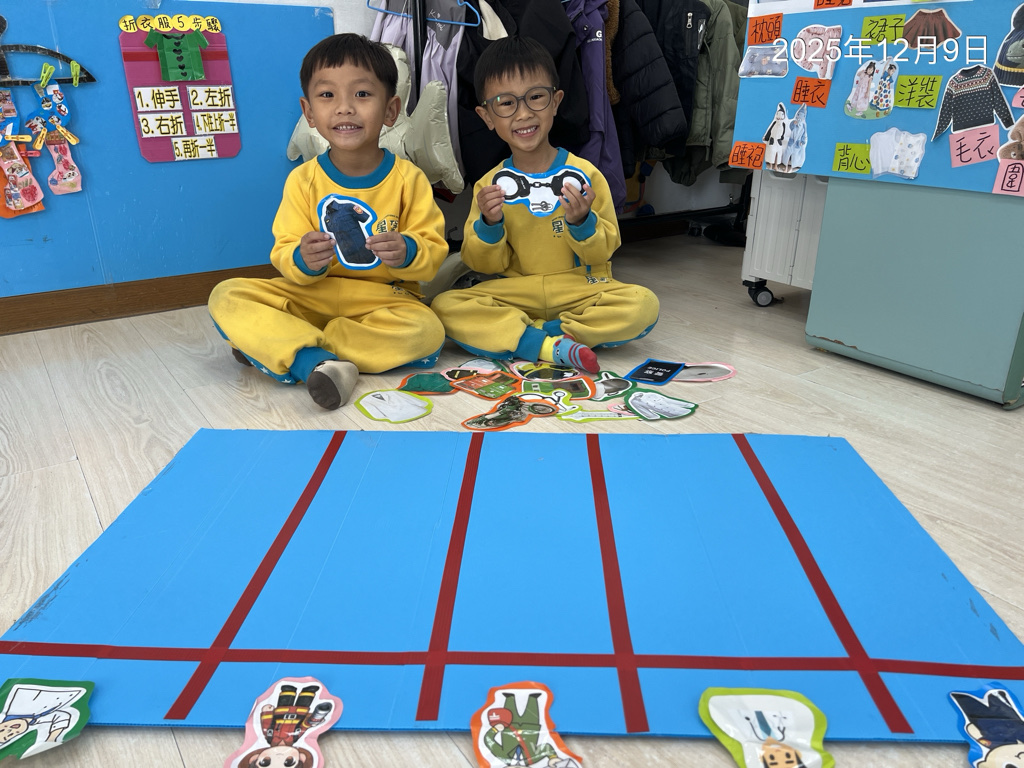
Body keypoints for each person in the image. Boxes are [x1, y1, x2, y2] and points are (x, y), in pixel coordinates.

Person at [208, 34, 448, 409]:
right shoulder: (302, 180)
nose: (344, 108)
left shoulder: (409, 179)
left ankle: (286, 346)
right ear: (309, 112)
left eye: (362, 94)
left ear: (391, 110)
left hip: (383, 300)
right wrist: (302, 258)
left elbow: (432, 251)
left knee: (428, 332)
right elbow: (284, 251)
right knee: (227, 295)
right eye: (327, 95)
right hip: (311, 294)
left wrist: (408, 250)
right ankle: (314, 360)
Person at [430, 36, 659, 374]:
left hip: (579, 289)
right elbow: (482, 263)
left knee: (642, 303)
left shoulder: (586, 174)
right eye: (506, 103)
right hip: (516, 291)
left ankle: (537, 335)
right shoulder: (489, 186)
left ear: (555, 102)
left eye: (536, 97)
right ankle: (552, 345)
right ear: (487, 116)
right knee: (446, 305)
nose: (524, 114)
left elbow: (604, 252)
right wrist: (489, 225)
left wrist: (582, 222)